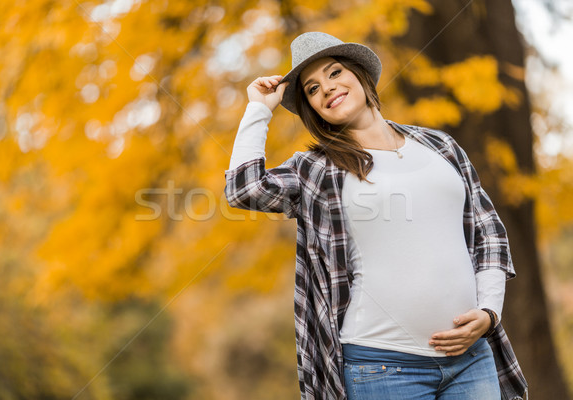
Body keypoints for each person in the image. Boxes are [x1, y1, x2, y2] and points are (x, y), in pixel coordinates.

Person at [224, 32, 528, 400]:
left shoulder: (440, 146)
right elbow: (244, 189)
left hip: (471, 360)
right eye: (312, 88)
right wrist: (259, 108)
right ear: (311, 107)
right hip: (381, 368)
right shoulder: (317, 168)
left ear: (361, 76)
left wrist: (489, 312)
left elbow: (488, 235)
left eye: (335, 73)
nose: (327, 88)